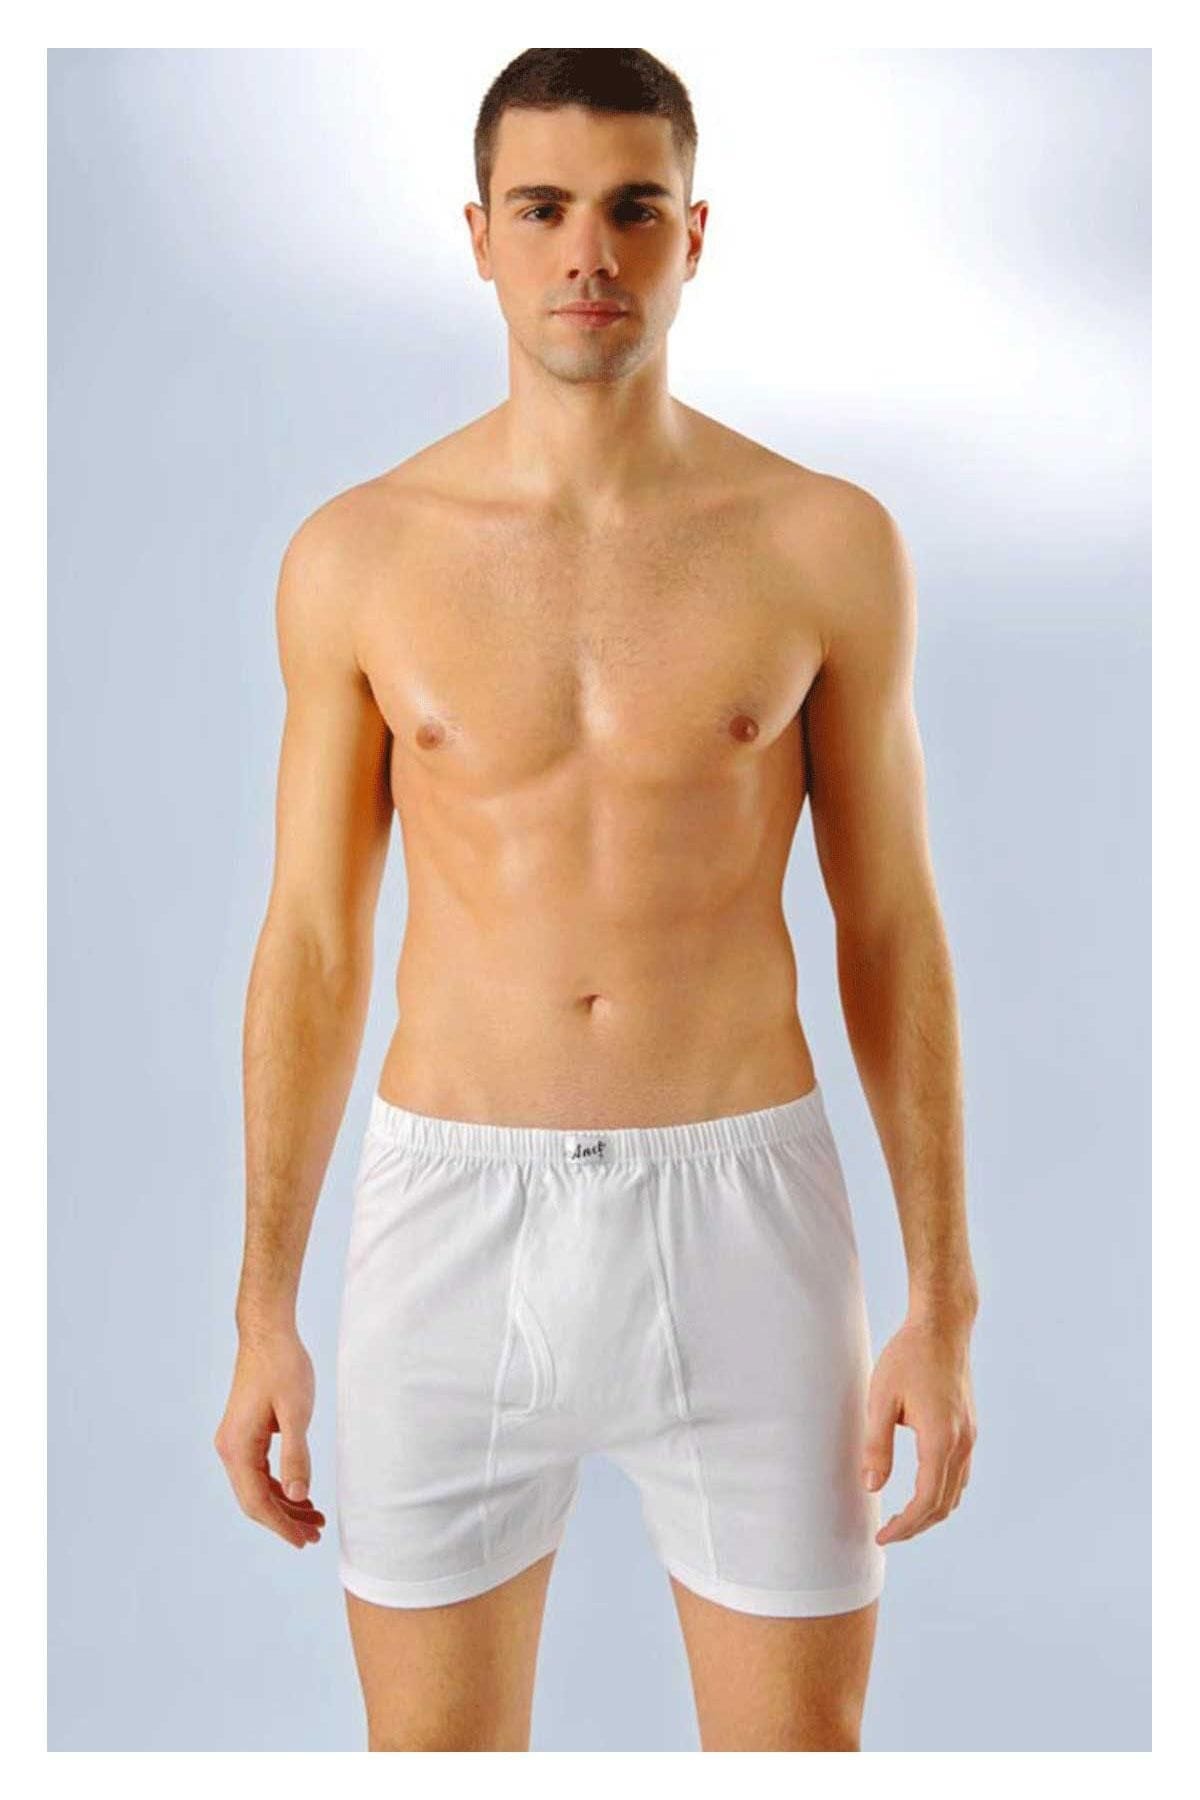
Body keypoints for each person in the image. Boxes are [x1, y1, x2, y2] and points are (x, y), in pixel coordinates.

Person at [213, 47, 980, 1752]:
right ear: (479, 235)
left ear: (693, 236)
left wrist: (946, 1297)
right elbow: (315, 944)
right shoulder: (359, 555)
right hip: (449, 1222)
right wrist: (263, 1306)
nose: (589, 254)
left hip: (747, 1220)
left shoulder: (822, 542)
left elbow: (892, 927)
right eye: (544, 208)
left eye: (634, 209)